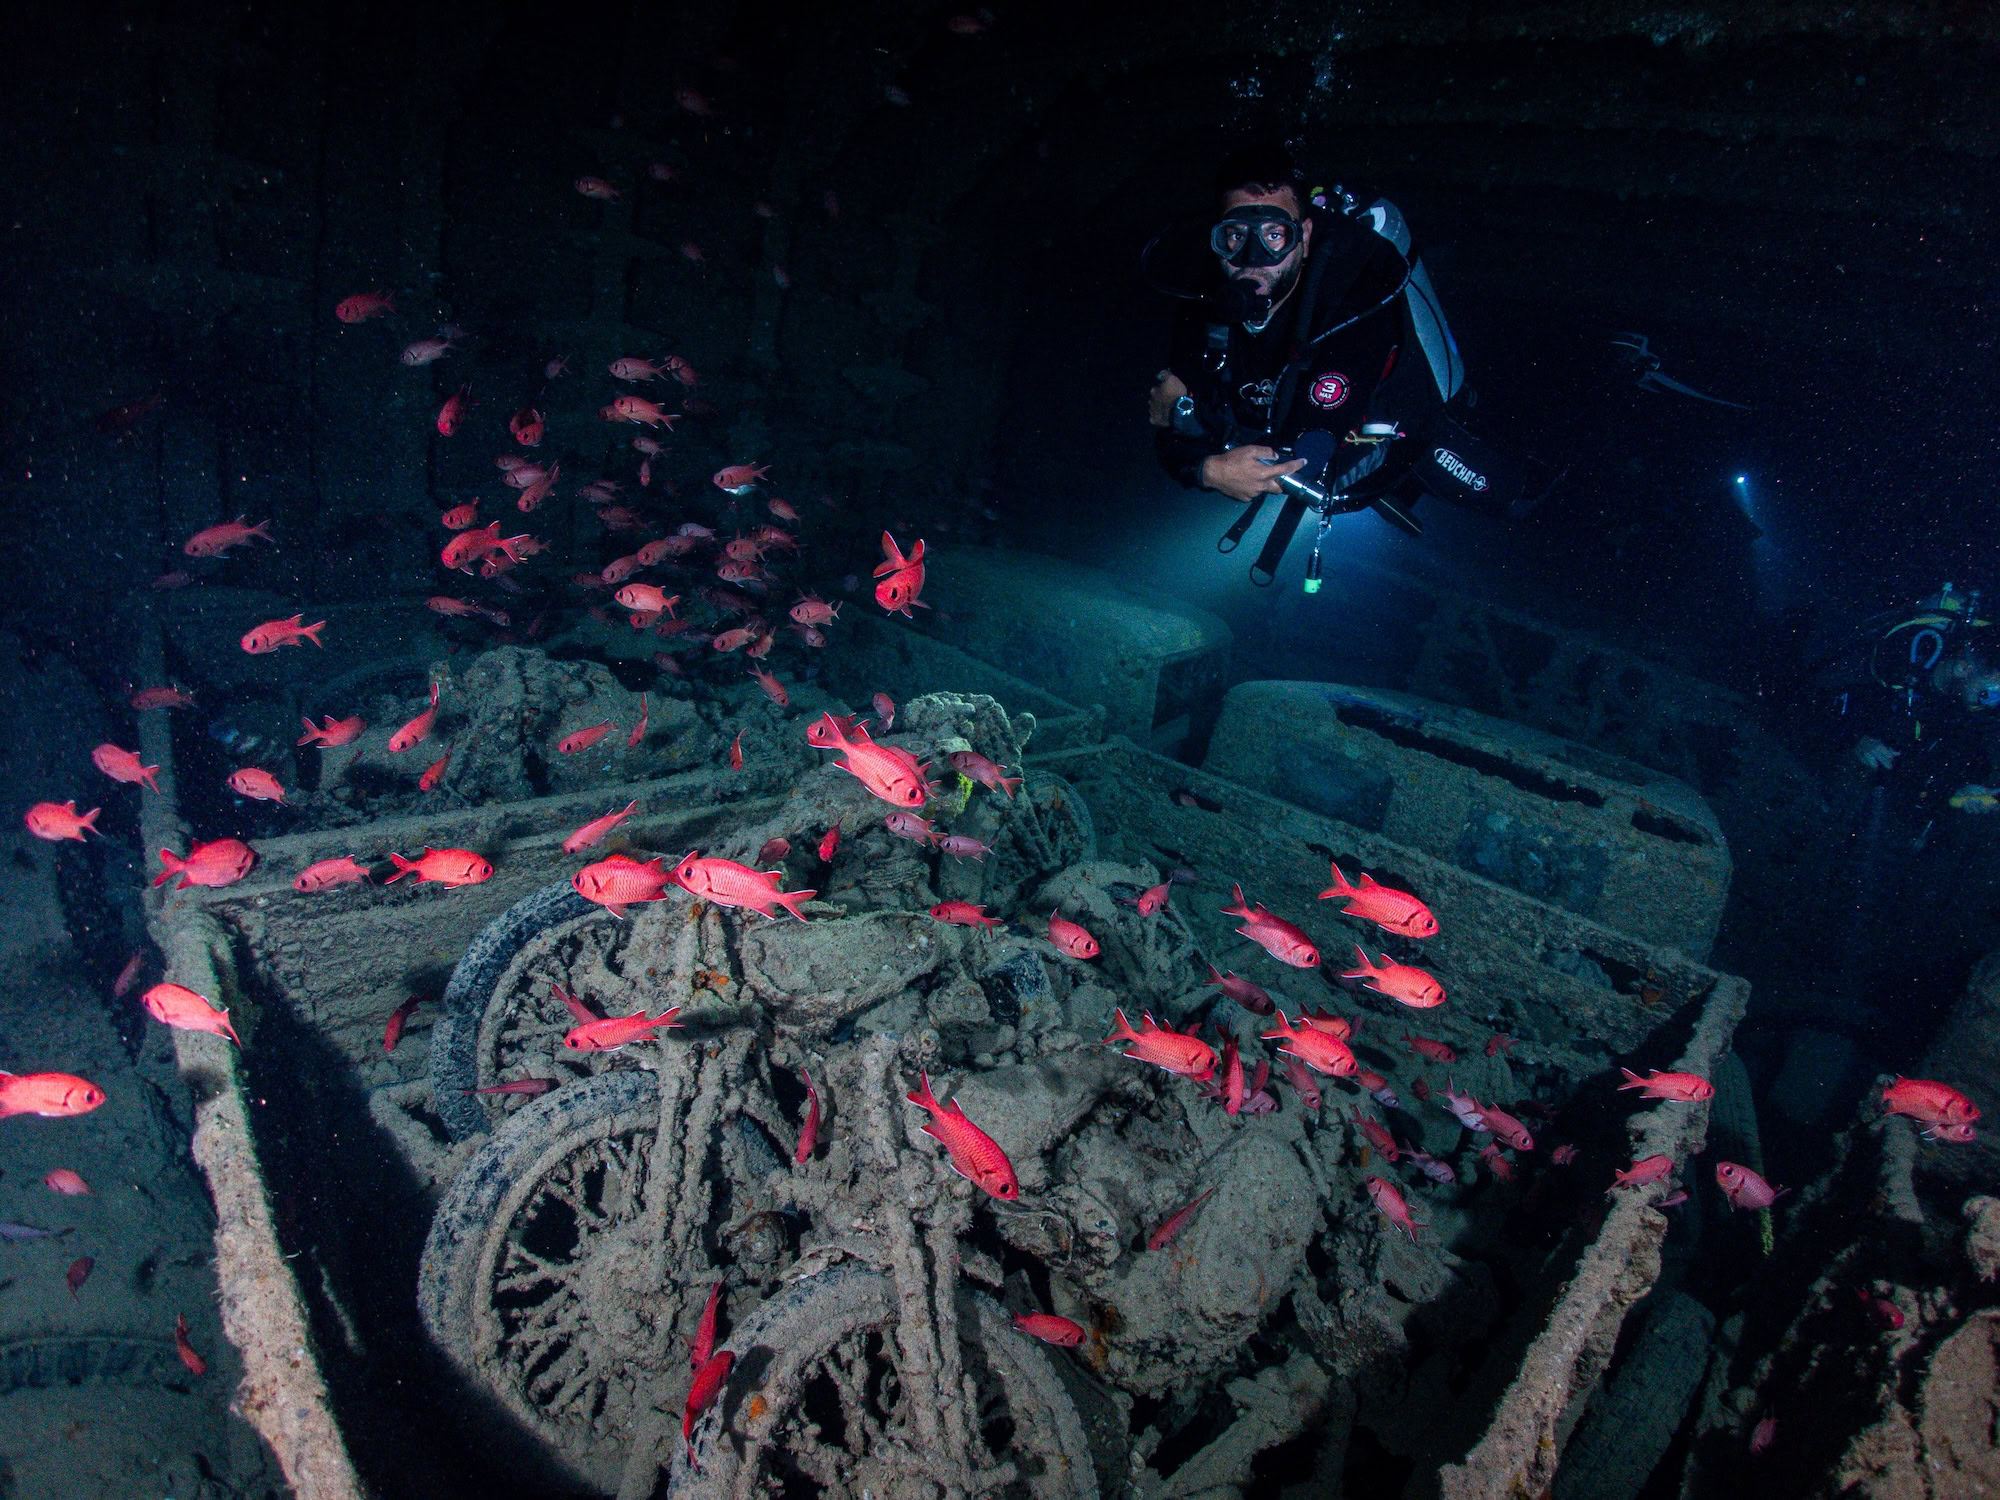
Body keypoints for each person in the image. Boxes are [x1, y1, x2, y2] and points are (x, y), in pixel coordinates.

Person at [1145, 144, 1520, 535]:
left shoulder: (1352, 304)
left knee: (1506, 496)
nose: (1252, 257)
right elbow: (1167, 423)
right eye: (1235, 235)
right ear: (1216, 240)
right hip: (1291, 432)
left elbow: (1310, 452)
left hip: (1391, 429)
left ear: (1304, 237)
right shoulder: (1205, 304)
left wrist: (1208, 459)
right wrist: (1209, 469)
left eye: (1274, 235)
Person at [1834, 584, 2000, 819]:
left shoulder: (1961, 701)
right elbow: (1826, 695)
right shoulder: (1899, 658)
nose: (1993, 704)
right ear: (1964, 668)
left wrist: (1967, 785)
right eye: (1992, 694)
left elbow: (1969, 747)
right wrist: (1857, 736)